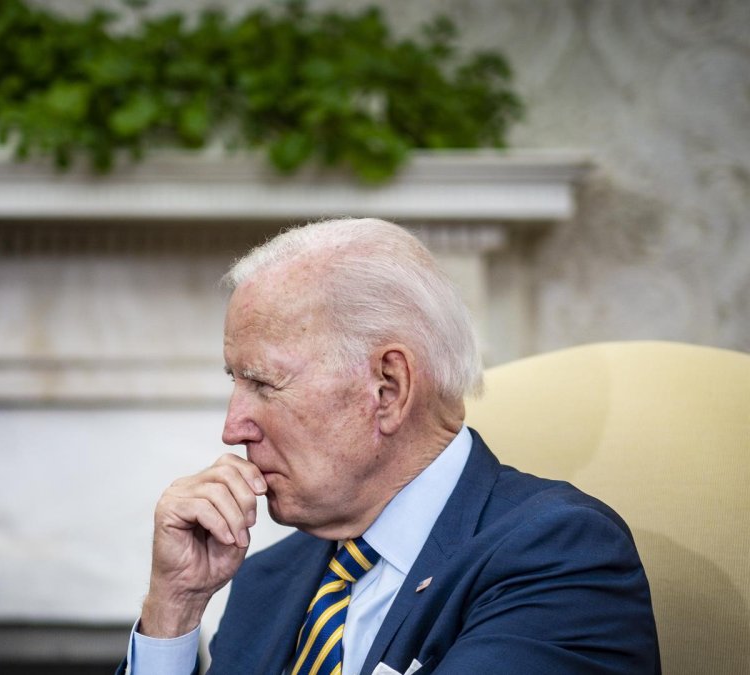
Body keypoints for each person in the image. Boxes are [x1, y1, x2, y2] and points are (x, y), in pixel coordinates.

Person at [119, 218, 659, 674]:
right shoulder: (267, 579)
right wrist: (174, 607)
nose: (233, 428)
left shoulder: (558, 554)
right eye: (234, 382)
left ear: (389, 388)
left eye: (263, 384)